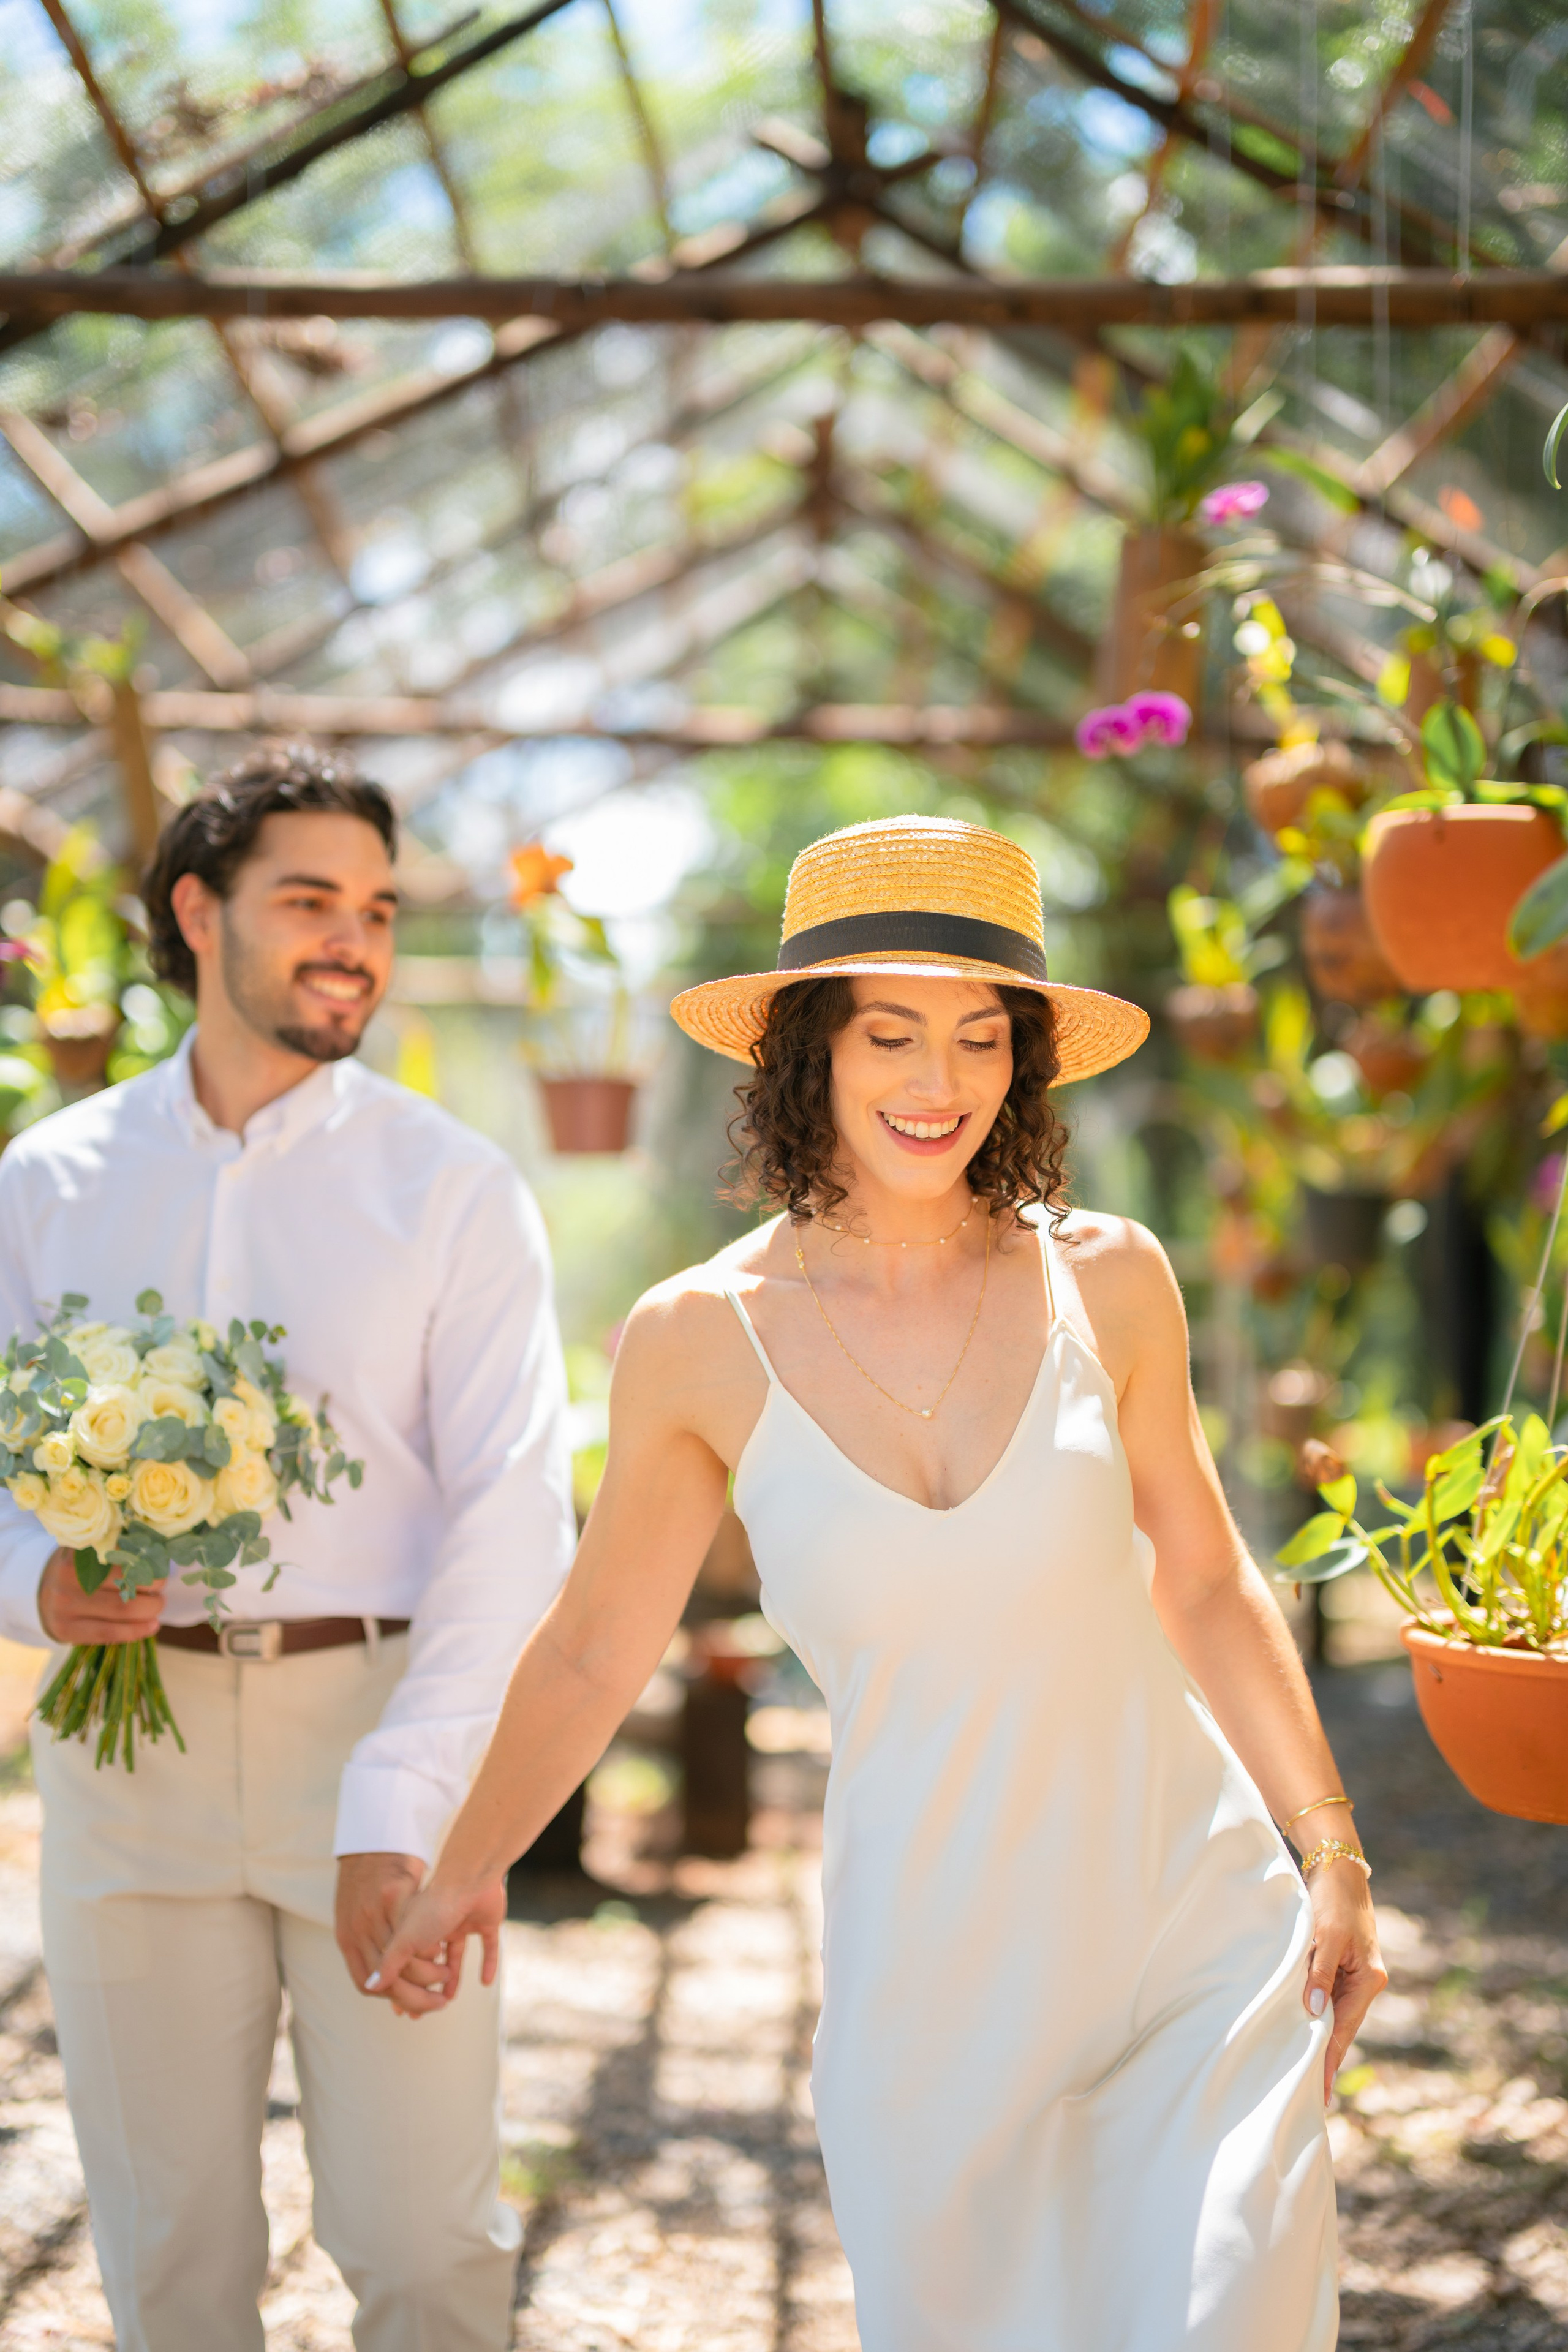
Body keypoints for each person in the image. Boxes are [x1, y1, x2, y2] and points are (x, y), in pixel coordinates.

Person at [371, 813, 1384, 2351]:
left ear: (1023, 1062)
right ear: (806, 1055)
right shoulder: (697, 1338)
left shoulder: (1106, 1279)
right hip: (932, 1984)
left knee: (1220, 2315)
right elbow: (591, 1649)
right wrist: (462, 1867)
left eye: (980, 1039)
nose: (938, 1084)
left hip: (1187, 1934)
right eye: (890, 1035)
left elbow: (1200, 1571)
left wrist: (1330, 1848)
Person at [0, 745, 575, 2352]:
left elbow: (518, 1512)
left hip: (380, 1737)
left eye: (380, 910)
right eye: (310, 900)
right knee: (169, 2254)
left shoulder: (454, 1190)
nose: (356, 943)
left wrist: (413, 1798)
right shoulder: (45, 1186)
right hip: (126, 1760)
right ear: (197, 912)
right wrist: (33, 1582)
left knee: (424, 2244)